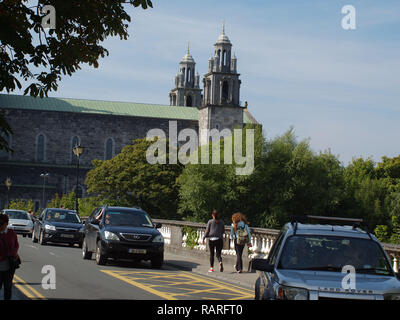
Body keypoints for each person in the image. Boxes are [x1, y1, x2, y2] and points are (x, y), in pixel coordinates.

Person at [0, 214, 19, 300]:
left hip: (9, 265)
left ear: (6, 223)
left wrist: (14, 253)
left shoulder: (11, 233)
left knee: (8, 287)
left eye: (1, 223)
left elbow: (16, 245)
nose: (0, 225)